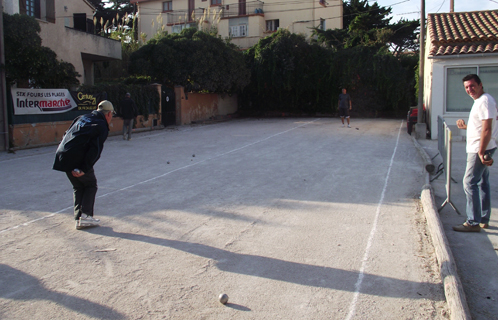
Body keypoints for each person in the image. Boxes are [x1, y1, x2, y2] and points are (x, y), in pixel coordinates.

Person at [53, 100, 115, 230]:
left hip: (62, 154)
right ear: (109, 114)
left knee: (79, 185)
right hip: (76, 157)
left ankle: (79, 218)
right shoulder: (101, 125)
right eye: (112, 115)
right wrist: (83, 168)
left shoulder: (82, 117)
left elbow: (66, 134)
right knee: (90, 185)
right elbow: (95, 150)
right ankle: (86, 216)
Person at [454, 74, 498, 232]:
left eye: (472, 86)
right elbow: (481, 126)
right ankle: (483, 219)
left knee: (469, 182)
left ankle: (473, 222)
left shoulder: (485, 100)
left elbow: (487, 129)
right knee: (482, 182)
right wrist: (466, 127)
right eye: (466, 87)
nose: (469, 89)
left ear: (480, 85)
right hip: (482, 146)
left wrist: (481, 152)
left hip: (479, 148)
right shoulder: (481, 101)